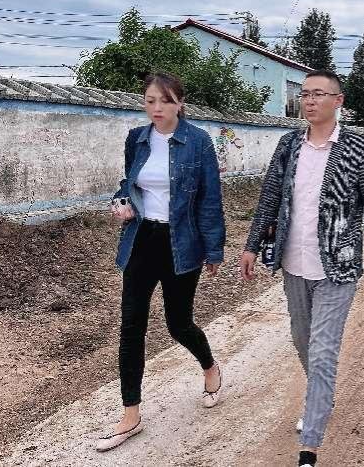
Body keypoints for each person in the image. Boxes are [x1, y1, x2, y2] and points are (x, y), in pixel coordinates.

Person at [240, 70, 364, 467]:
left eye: (318, 94)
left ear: (338, 101)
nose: (309, 101)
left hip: (337, 267)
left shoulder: (358, 148)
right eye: (305, 94)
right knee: (303, 341)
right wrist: (252, 245)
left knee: (323, 352)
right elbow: (269, 197)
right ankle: (321, 396)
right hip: (294, 264)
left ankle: (309, 447)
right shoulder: (289, 144)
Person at [98, 72, 224, 452]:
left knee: (178, 324)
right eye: (150, 100)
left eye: (165, 101)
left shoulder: (198, 141)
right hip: (142, 239)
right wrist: (121, 202)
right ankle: (131, 414)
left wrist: (213, 249)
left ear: (179, 104)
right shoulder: (136, 138)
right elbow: (129, 183)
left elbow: (210, 198)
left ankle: (210, 366)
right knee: (131, 324)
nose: (157, 108)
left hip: (181, 242)